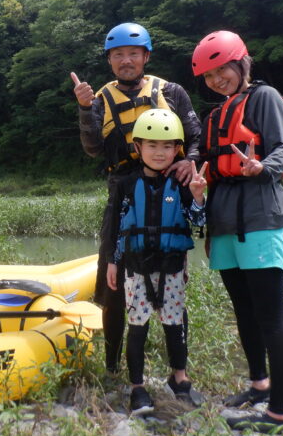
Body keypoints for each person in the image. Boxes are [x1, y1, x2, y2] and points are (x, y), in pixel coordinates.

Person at [70, 22, 201, 374]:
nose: (125, 61)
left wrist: (189, 161)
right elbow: (93, 148)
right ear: (110, 61)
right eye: (118, 56)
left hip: (169, 189)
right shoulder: (98, 99)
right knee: (113, 287)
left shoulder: (172, 91)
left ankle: (178, 369)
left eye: (132, 54)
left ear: (145, 56)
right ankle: (113, 366)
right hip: (123, 191)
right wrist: (85, 109)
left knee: (171, 274)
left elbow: (195, 136)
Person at [190, 30, 283, 434]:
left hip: (260, 217)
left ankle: (278, 415)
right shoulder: (216, 115)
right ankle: (259, 385)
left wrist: (261, 166)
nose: (217, 80)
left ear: (242, 63)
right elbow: (205, 159)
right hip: (223, 221)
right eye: (210, 76)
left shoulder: (264, 97)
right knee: (244, 311)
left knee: (271, 317)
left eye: (223, 70)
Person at [104, 108, 207, 415]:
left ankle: (180, 379)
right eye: (152, 145)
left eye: (167, 146)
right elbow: (115, 225)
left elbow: (198, 223)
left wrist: (199, 197)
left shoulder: (183, 183)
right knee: (137, 327)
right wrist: (112, 261)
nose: (160, 152)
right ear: (138, 148)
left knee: (175, 325)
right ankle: (137, 388)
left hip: (172, 267)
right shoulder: (124, 184)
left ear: (177, 149)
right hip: (136, 269)